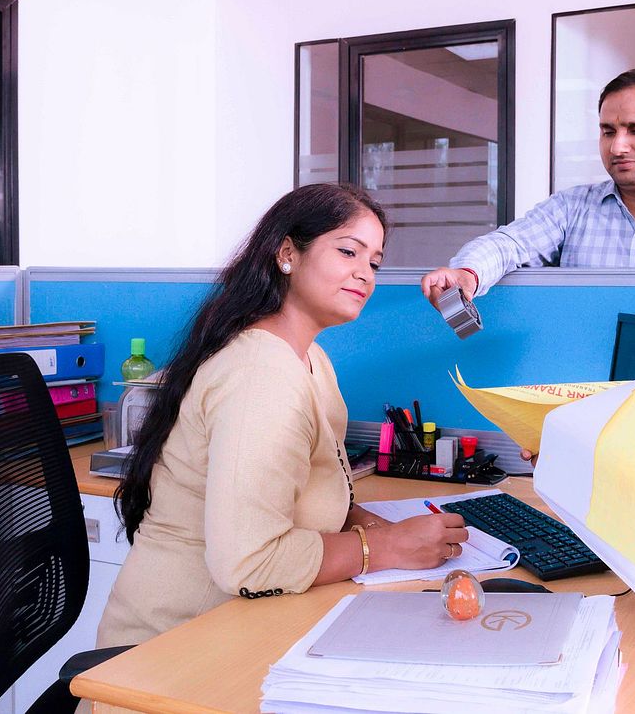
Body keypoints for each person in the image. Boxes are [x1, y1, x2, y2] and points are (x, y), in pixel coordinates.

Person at [97, 184, 468, 647]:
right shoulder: (260, 374)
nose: (364, 274)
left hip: (240, 625)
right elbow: (250, 561)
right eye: (348, 252)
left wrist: (378, 527)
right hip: (171, 649)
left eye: (374, 263)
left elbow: (305, 495)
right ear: (287, 253)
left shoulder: (309, 358)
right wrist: (386, 547)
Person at [421, 68, 635, 308]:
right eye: (608, 132)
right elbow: (509, 244)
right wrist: (468, 273)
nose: (618, 147)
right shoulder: (571, 209)